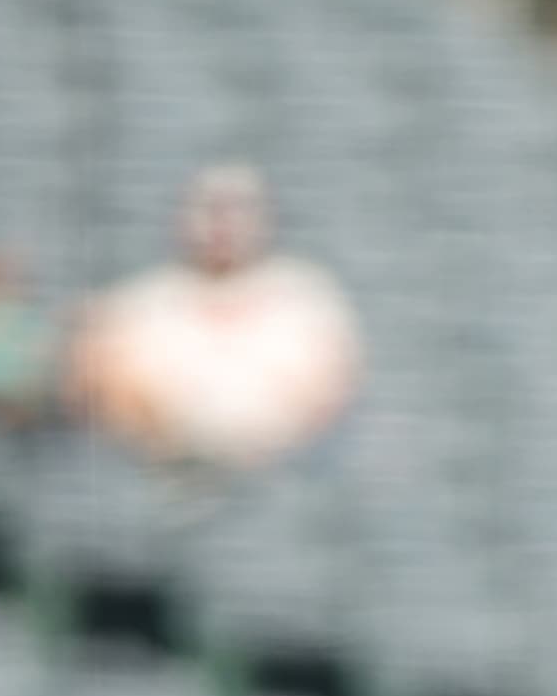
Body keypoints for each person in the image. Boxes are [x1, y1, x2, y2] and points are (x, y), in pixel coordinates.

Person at [66, 163, 362, 468]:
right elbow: (99, 391)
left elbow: (330, 393)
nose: (223, 226)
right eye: (212, 211)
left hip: (282, 475)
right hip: (159, 471)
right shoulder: (140, 303)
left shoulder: (306, 298)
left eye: (237, 210)